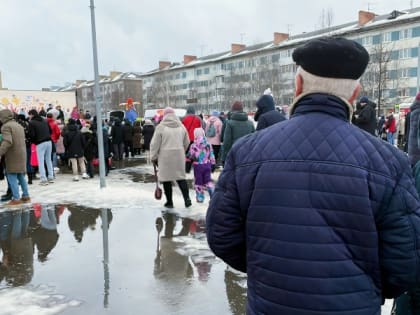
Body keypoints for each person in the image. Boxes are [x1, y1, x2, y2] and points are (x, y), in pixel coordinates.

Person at [206, 37, 420, 315]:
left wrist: (268, 269)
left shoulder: (247, 152)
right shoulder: (389, 161)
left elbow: (222, 235)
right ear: (354, 94)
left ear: (298, 86)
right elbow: (407, 258)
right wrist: (365, 287)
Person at [150, 107, 191, 208]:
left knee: (166, 179)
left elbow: (155, 144)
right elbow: (187, 142)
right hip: (179, 155)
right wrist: (181, 150)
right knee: (181, 178)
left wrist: (154, 157)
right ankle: (187, 199)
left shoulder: (161, 127)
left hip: (165, 157)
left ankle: (169, 202)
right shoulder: (181, 126)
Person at [0, 110, 30, 206]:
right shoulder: (18, 125)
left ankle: (16, 199)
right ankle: (26, 196)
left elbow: (7, 141)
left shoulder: (6, 126)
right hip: (21, 154)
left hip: (12, 155)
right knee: (21, 176)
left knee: (11, 176)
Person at [187, 128, 215, 203]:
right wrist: (213, 163)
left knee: (198, 182)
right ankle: (213, 194)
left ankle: (200, 197)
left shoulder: (193, 145)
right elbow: (212, 154)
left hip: (198, 166)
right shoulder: (208, 144)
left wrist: (188, 158)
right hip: (207, 165)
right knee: (208, 180)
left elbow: (190, 156)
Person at [28, 109, 54, 185]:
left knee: (41, 161)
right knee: (48, 160)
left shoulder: (32, 122)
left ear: (32, 114)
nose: (29, 116)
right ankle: (51, 177)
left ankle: (43, 179)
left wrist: (34, 142)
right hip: (49, 142)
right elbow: (51, 131)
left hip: (40, 143)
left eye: (29, 115)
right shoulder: (45, 120)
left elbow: (31, 135)